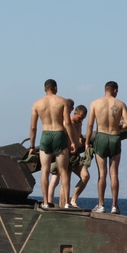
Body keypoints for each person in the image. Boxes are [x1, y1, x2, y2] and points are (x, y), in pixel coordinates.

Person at [29, 79, 76, 209]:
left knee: (45, 170)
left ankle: (45, 202)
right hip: (59, 134)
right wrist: (72, 141)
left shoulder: (37, 104)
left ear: (45, 89)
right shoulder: (62, 102)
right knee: (63, 171)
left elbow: (33, 127)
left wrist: (32, 146)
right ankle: (66, 202)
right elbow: (67, 123)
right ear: (55, 88)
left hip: (46, 135)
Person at [85, 81, 127, 214]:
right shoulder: (120, 104)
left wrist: (87, 142)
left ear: (105, 89)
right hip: (114, 137)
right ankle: (114, 206)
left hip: (100, 137)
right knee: (114, 173)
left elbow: (89, 126)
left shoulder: (95, 103)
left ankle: (101, 205)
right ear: (115, 90)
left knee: (102, 173)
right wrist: (119, 127)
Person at [66, 103, 93, 209]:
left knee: (85, 176)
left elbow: (78, 134)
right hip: (67, 154)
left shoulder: (79, 124)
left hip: (76, 155)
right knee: (66, 179)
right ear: (75, 113)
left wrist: (83, 140)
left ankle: (73, 200)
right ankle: (64, 203)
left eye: (83, 119)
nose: (81, 120)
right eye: (80, 117)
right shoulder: (68, 123)